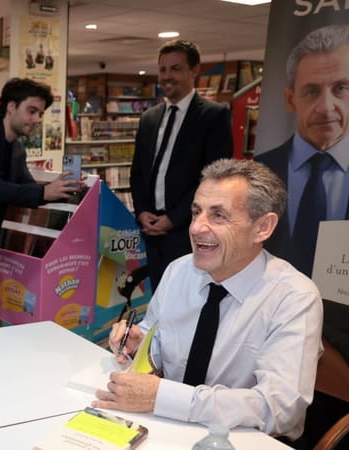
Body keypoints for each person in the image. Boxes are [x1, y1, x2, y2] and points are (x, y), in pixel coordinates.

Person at [95, 159, 323, 444]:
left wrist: (164, 397)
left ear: (262, 227)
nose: (196, 228)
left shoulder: (294, 297)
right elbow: (157, 340)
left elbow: (279, 408)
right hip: (165, 427)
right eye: (196, 212)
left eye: (218, 216)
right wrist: (140, 344)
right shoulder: (179, 271)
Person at [0, 77, 81, 328]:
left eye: (40, 114)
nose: (36, 119)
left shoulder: (16, 149)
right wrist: (44, 193)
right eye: (31, 111)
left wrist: (63, 187)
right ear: (11, 106)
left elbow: (25, 187)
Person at [129, 39, 233, 292]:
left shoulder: (213, 115)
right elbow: (138, 172)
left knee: (186, 298)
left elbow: (214, 179)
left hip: (190, 230)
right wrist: (142, 211)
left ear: (194, 70)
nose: (166, 76)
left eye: (175, 68)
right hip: (150, 230)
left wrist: (174, 218)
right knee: (157, 296)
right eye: (162, 69)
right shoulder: (149, 118)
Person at [254, 24, 349, 277]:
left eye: (341, 88)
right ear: (290, 98)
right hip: (273, 307)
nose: (326, 107)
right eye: (311, 91)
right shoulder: (259, 171)